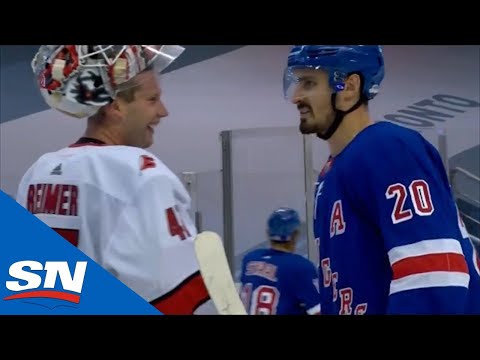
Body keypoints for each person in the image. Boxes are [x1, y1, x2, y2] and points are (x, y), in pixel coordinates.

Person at [15, 45, 216, 315]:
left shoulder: (37, 172)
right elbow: (179, 300)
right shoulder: (140, 173)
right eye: (152, 99)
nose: (163, 111)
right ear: (115, 105)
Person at [282, 45, 480, 315]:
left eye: (309, 83)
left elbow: (434, 276)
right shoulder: (331, 174)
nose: (296, 96)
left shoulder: (387, 148)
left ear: (349, 87)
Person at [239, 207, 320, 315]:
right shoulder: (300, 267)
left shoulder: (249, 259)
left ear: (268, 233)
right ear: (295, 235)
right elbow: (318, 311)